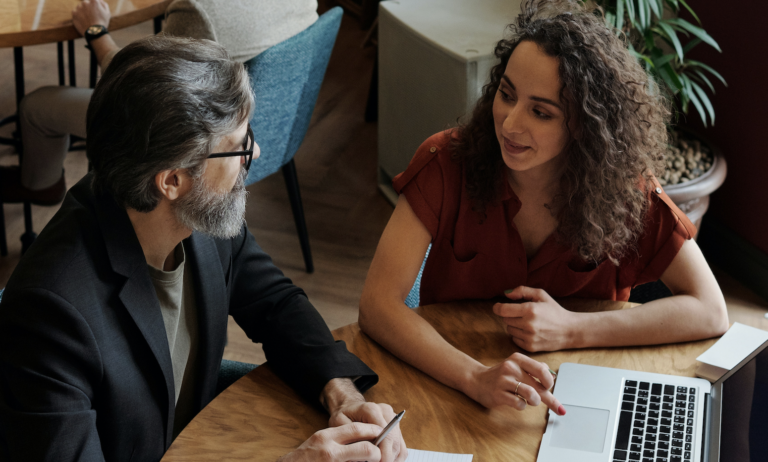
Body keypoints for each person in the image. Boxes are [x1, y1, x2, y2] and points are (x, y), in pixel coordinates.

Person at [0, 35, 406, 462]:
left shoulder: (197, 212)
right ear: (172, 180)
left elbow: (274, 303)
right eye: (238, 147)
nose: (257, 152)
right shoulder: (49, 316)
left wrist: (338, 391)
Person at [358, 0, 728, 416]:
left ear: (586, 125)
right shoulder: (446, 160)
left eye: (541, 112)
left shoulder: (628, 191)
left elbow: (710, 310)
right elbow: (377, 305)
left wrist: (574, 327)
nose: (511, 124)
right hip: (452, 382)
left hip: (580, 393)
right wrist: (473, 377)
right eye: (507, 94)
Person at [0, 0, 318, 205]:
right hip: (266, 130)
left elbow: (141, 89)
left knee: (36, 107)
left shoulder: (202, 10)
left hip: (190, 141)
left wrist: (96, 31)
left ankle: (39, 185)